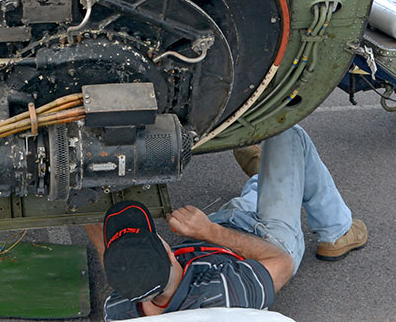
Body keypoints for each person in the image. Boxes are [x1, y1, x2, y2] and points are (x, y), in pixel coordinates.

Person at [85, 124, 367, 319]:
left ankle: (263, 176)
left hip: (222, 230)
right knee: (289, 136)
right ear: (169, 253)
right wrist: (209, 230)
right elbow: (281, 263)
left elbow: (111, 255)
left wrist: (82, 204)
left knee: (259, 193)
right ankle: (337, 230)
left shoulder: (121, 306)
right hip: (266, 242)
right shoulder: (221, 294)